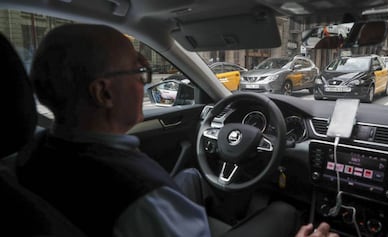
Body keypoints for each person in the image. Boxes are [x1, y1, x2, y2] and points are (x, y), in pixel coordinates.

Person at [17, 23, 338, 237]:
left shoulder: (28, 155)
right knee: (283, 210)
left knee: (193, 178)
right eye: (139, 70)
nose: (145, 82)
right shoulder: (142, 197)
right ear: (104, 93)